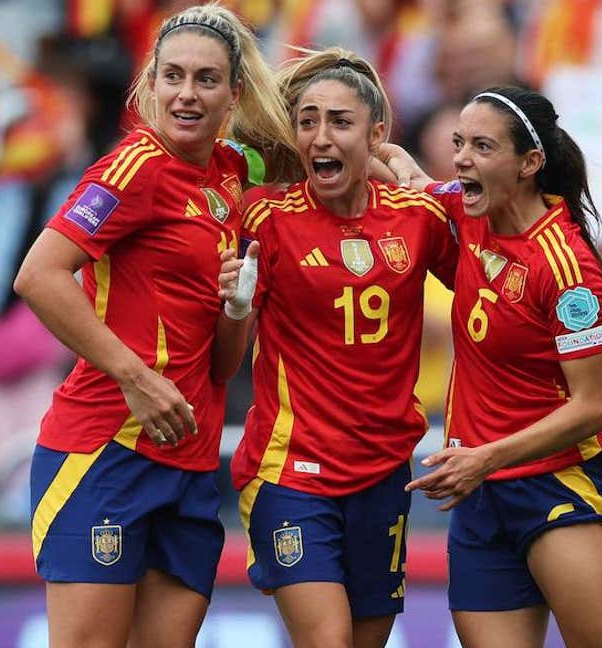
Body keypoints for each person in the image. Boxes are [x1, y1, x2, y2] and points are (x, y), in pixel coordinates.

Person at [13, 5, 296, 647]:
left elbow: (224, 367)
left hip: (189, 459)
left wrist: (238, 306)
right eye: (172, 76)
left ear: (235, 94)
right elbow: (38, 275)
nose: (186, 94)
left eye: (205, 79)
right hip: (106, 447)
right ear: (150, 84)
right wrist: (134, 376)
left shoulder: (230, 176)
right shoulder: (133, 167)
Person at [214, 48, 458, 648]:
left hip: (382, 474)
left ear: (376, 134)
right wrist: (236, 309)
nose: (321, 136)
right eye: (307, 120)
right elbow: (223, 363)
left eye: (341, 122)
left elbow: (487, 286)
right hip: (291, 472)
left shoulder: (418, 217)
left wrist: (435, 186)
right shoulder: (263, 219)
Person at [388, 86, 602, 647]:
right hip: (479, 496)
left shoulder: (567, 267)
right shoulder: (471, 209)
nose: (462, 158)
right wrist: (373, 142)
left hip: (557, 489)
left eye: (481, 146)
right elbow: (418, 185)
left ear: (529, 164)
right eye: (458, 143)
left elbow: (592, 407)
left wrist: (486, 458)